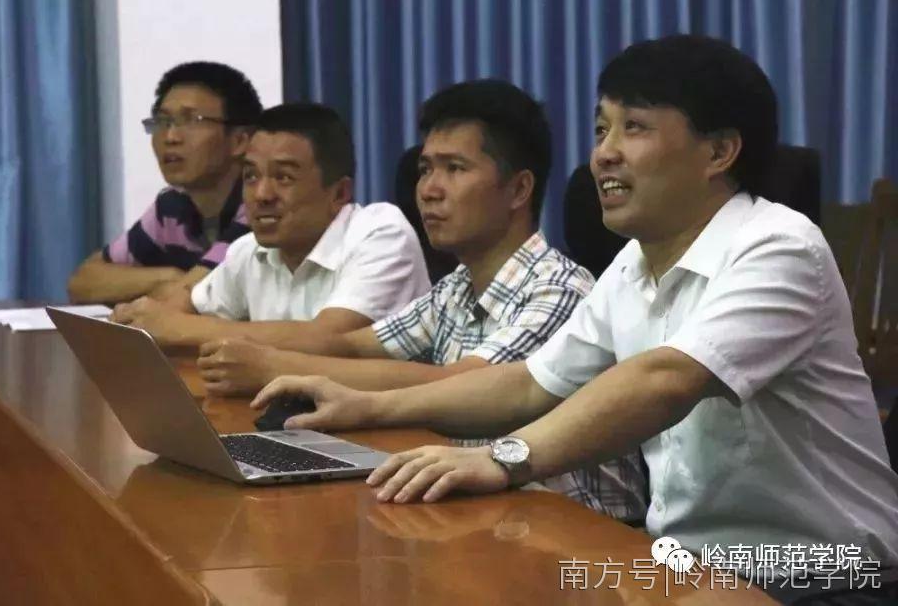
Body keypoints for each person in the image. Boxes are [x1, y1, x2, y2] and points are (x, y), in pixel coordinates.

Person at [252, 35, 898, 573]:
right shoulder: (633, 265)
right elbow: (529, 383)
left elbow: (666, 379)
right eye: (600, 128)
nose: (603, 153)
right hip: (687, 568)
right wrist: (363, 405)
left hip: (822, 575)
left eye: (634, 127)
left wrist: (501, 457)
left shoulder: (779, 245)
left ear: (719, 151)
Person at [198, 79, 646, 522]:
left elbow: (462, 383)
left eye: (455, 168)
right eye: (426, 169)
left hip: (577, 529)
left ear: (518, 190)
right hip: (490, 511)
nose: (429, 189)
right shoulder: (455, 287)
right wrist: (252, 353)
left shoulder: (559, 288)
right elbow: (353, 344)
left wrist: (274, 367)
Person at [111, 102, 430, 348]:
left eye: (284, 177)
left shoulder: (381, 232)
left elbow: (328, 339)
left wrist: (179, 328)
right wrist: (139, 320)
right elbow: (181, 308)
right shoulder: (248, 250)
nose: (261, 195)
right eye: (251, 176)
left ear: (339, 193)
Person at [67, 61, 261, 304]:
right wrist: (167, 277)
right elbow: (83, 282)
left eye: (192, 121)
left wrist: (178, 285)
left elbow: (194, 295)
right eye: (162, 122)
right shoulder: (172, 206)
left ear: (240, 141)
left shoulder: (260, 206)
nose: (170, 137)